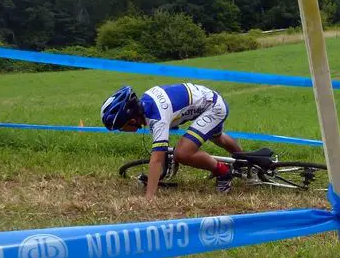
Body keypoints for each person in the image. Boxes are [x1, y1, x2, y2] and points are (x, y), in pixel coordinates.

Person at [101, 83, 242, 197]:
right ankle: (244, 160)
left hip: (213, 107)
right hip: (209, 99)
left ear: (131, 120)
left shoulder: (157, 119)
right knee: (218, 138)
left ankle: (224, 172)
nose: (121, 131)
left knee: (183, 153)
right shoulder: (146, 103)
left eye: (121, 127)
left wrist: (149, 197)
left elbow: (156, 159)